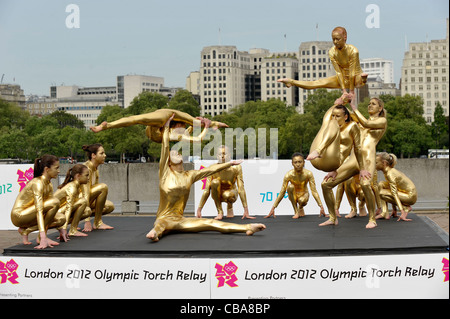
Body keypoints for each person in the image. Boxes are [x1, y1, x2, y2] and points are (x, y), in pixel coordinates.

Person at [146, 113, 266, 242]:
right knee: (160, 224)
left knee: (210, 223)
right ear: (168, 161)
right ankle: (156, 232)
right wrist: (167, 125)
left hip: (180, 220)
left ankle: (247, 227)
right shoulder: (165, 173)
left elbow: (210, 170)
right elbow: (165, 146)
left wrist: (230, 163)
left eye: (178, 152)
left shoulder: (189, 175)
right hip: (163, 218)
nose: (177, 153)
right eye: (174, 153)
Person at [319, 97, 387, 228]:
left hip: (367, 160)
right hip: (353, 159)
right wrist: (341, 101)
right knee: (326, 184)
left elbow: (366, 123)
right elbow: (342, 115)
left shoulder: (382, 121)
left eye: (373, 104)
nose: (369, 106)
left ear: (380, 108)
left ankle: (372, 219)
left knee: (366, 184)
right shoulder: (359, 120)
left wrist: (354, 108)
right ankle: (333, 217)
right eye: (368, 103)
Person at [278, 26, 367, 104]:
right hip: (342, 78)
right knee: (317, 83)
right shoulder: (332, 52)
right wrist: (344, 91)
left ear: (345, 37)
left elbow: (352, 72)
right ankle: (291, 82)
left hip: (355, 77)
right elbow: (338, 72)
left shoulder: (353, 51)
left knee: (360, 79)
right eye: (333, 39)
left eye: (338, 39)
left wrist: (351, 91)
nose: (335, 42)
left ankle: (364, 79)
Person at [10, 155, 64, 249]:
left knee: (61, 219)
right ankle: (41, 237)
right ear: (47, 169)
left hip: (31, 213)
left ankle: (26, 230)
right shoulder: (37, 183)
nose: (58, 171)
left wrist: (61, 229)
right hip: (19, 215)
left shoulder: (49, 183)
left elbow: (50, 211)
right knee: (54, 202)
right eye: (56, 168)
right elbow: (40, 209)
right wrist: (43, 236)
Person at [90, 108, 227, 143]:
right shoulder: (180, 131)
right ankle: (215, 123)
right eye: (185, 127)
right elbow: (193, 130)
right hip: (164, 120)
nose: (186, 129)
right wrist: (207, 125)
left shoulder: (174, 135)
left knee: (137, 119)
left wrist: (206, 126)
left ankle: (106, 126)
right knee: (190, 118)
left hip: (157, 129)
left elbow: (198, 139)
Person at [197, 145, 255, 220]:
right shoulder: (212, 168)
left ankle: (230, 207)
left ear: (230, 154)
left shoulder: (236, 167)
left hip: (231, 193)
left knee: (227, 195)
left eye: (224, 154)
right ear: (216, 156)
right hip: (217, 194)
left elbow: (241, 188)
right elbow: (206, 190)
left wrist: (246, 209)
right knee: (214, 182)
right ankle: (219, 211)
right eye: (219, 154)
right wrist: (199, 209)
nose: (222, 156)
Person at [265, 152, 325, 219]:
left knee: (301, 200)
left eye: (300, 162)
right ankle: (296, 211)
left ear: (304, 162)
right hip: (293, 195)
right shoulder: (289, 175)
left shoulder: (308, 174)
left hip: (304, 195)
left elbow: (314, 191)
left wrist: (321, 206)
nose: (298, 164)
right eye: (295, 162)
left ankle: (300, 208)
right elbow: (282, 191)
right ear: (292, 163)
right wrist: (273, 208)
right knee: (290, 186)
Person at [81, 143, 114, 231]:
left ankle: (97, 222)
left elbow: (95, 194)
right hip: (77, 201)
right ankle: (97, 222)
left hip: (85, 200)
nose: (105, 155)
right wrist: (87, 221)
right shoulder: (86, 169)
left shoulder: (95, 169)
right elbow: (85, 194)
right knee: (103, 187)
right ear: (93, 155)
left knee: (109, 206)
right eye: (101, 153)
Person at [375, 152, 417, 222]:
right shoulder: (388, 171)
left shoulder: (390, 174)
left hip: (410, 196)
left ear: (384, 163)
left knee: (382, 193)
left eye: (376, 163)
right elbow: (392, 190)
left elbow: (394, 193)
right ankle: (385, 212)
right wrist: (394, 210)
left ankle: (405, 208)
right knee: (381, 184)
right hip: (404, 193)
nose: (374, 165)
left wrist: (401, 210)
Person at [54, 164, 92, 239]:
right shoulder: (72, 187)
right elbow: (69, 208)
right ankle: (71, 230)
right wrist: (64, 228)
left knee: (87, 211)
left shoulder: (76, 186)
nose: (88, 178)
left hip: (59, 211)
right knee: (82, 201)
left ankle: (72, 229)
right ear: (78, 176)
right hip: (55, 214)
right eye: (86, 175)